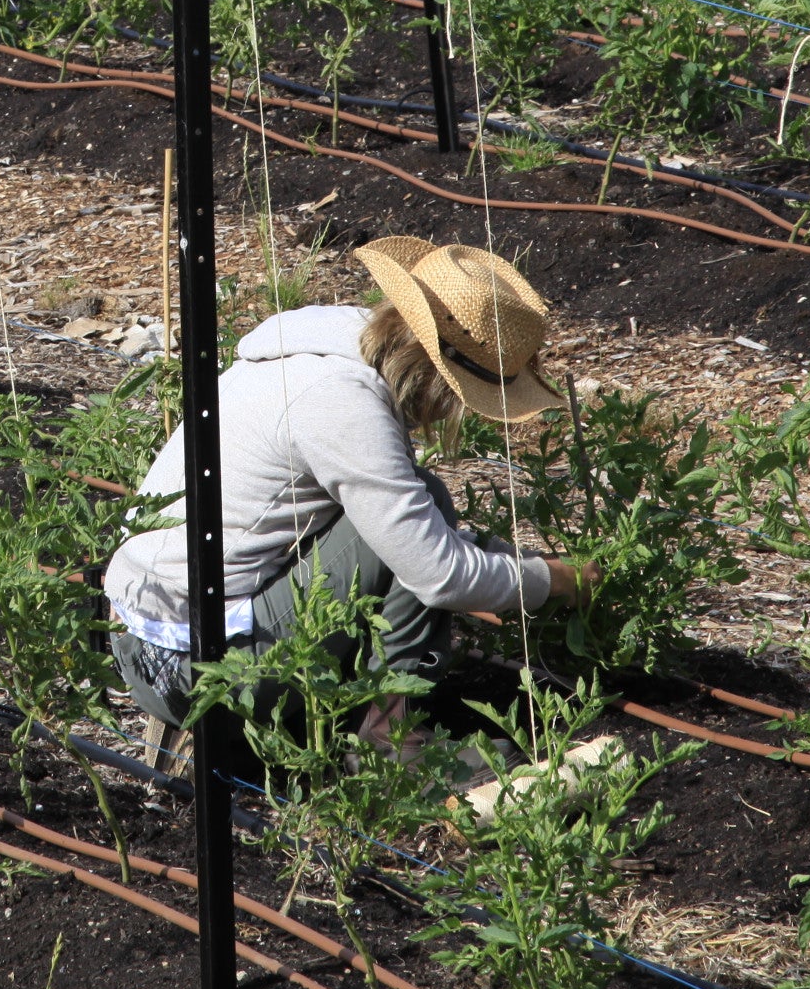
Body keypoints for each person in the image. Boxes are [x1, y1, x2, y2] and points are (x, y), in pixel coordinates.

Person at [106, 237, 593, 747]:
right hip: (197, 676)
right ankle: (394, 746)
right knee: (423, 515)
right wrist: (552, 580)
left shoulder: (320, 346)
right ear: (441, 377)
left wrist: (500, 562)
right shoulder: (343, 406)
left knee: (414, 513)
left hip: (142, 635)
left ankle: (366, 720)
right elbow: (438, 575)